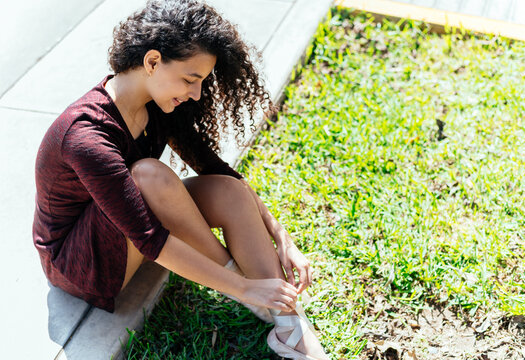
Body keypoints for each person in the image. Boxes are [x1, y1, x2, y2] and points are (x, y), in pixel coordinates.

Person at [32, 0, 329, 358]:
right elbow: (150, 240)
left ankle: (289, 323)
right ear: (153, 61)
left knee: (228, 190)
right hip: (80, 265)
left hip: (129, 233)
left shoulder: (158, 103)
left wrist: (280, 234)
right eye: (191, 79)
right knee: (148, 175)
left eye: (201, 82)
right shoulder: (84, 136)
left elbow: (215, 169)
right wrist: (242, 286)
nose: (196, 93)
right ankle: (253, 295)